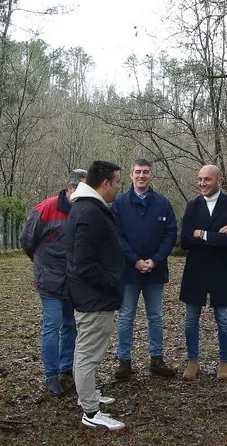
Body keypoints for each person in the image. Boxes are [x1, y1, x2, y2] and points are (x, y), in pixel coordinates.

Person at [66, 161, 127, 431]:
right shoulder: (89, 212)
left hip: (93, 296)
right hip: (94, 298)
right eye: (117, 183)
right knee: (88, 354)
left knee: (86, 350)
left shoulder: (88, 208)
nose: (117, 188)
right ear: (105, 183)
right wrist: (112, 283)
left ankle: (88, 395)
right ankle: (90, 411)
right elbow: (84, 263)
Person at [19, 168, 87, 397]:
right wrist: (43, 266)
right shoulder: (46, 209)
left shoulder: (85, 210)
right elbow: (27, 240)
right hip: (49, 279)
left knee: (71, 324)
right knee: (52, 325)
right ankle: (51, 374)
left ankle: (66, 366)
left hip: (74, 279)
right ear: (71, 188)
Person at [110, 158, 178, 380]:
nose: (141, 176)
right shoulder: (119, 204)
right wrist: (135, 260)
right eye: (137, 172)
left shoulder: (163, 203)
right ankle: (124, 362)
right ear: (130, 175)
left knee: (156, 316)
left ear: (151, 176)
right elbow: (116, 235)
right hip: (128, 271)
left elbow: (170, 234)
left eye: (146, 172)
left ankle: (156, 360)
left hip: (155, 271)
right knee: (126, 316)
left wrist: (155, 260)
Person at [178, 164, 227, 381]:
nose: (202, 184)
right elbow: (185, 240)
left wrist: (202, 234)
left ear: (219, 181)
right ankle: (192, 361)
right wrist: (216, 236)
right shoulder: (192, 206)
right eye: (200, 179)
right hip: (195, 271)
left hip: (221, 271)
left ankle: (224, 363)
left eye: (207, 179)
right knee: (190, 320)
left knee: (223, 320)